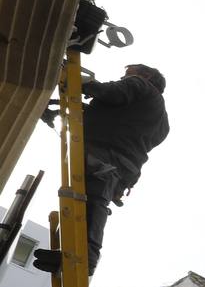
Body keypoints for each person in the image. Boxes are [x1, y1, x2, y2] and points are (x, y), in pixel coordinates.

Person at [33, 64, 169, 276]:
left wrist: (84, 84)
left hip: (106, 157)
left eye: (128, 74)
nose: (123, 77)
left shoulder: (140, 85)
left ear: (146, 75)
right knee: (87, 203)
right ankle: (70, 254)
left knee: (91, 201)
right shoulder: (160, 118)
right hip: (124, 168)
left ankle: (85, 258)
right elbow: (118, 120)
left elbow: (111, 93)